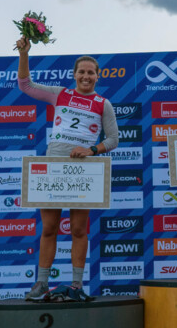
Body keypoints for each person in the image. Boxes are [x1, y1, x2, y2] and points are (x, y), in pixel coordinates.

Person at [16, 36, 119, 301]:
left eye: (91, 72)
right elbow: (25, 85)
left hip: (83, 170)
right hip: (53, 167)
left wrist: (91, 150)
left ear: (97, 76)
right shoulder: (60, 94)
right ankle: (41, 283)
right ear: (74, 75)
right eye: (82, 72)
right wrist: (24, 54)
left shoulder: (103, 103)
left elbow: (113, 139)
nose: (86, 76)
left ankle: (76, 285)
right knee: (49, 228)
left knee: (78, 230)